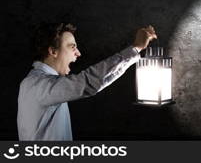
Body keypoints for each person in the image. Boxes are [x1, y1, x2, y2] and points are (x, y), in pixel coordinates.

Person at [17, 23, 157, 141]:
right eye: (72, 47)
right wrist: (136, 48)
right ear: (53, 51)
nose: (78, 53)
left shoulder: (43, 82)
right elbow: (87, 82)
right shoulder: (36, 85)